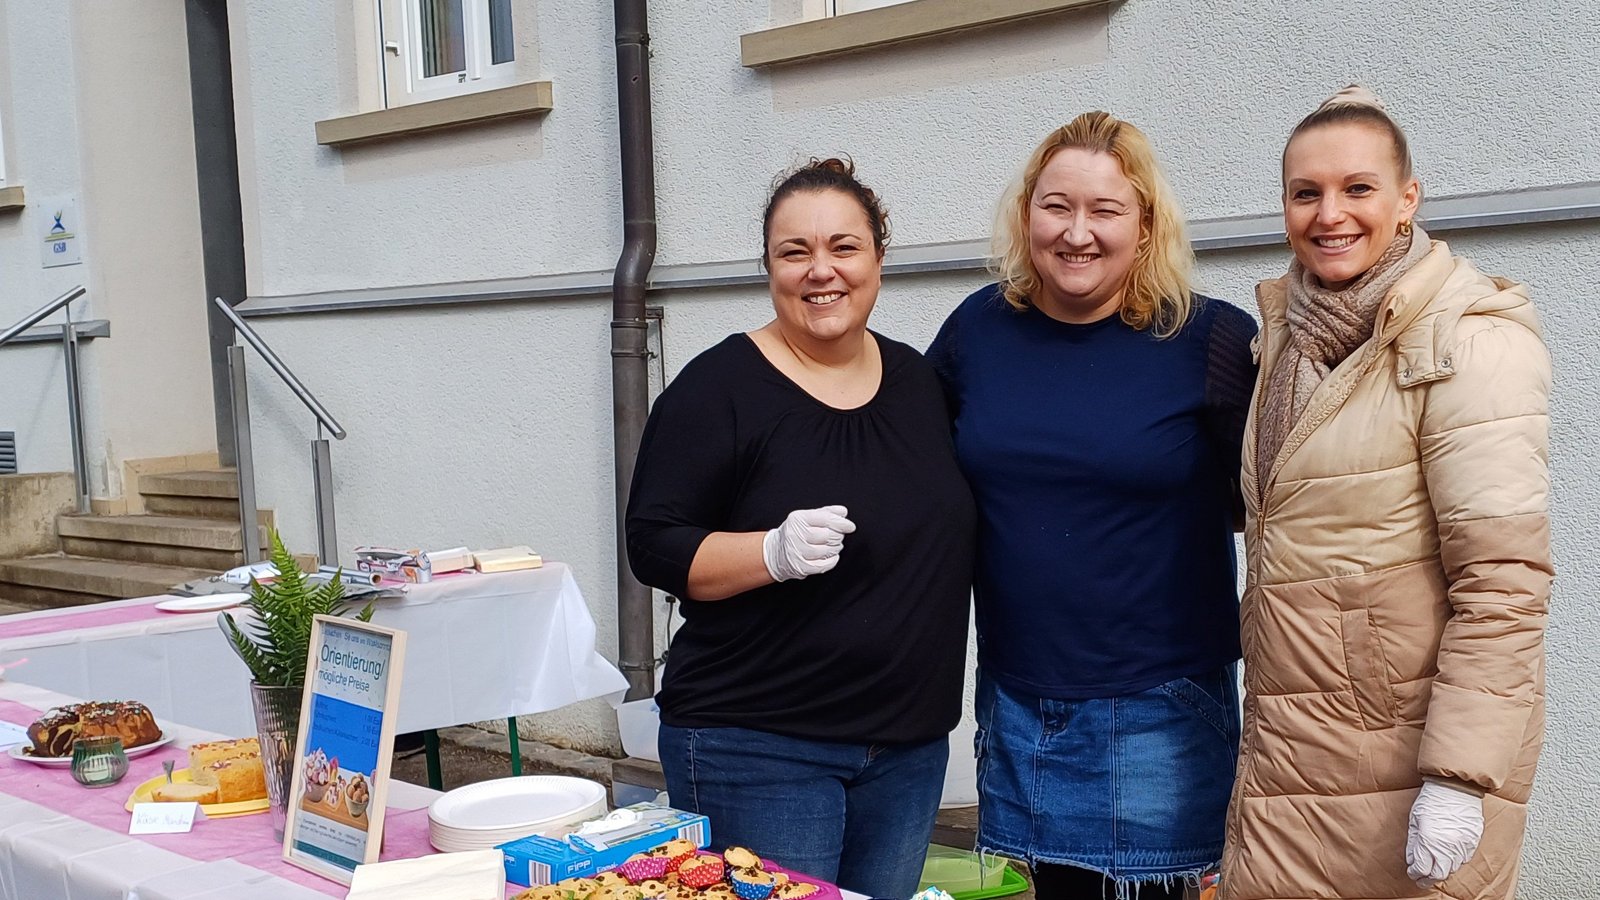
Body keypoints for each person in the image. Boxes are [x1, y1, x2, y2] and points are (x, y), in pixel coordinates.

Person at [1220, 86, 1552, 900]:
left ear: (1408, 201)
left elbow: (1503, 586)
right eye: (1307, 192)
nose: (1330, 214)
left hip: (1412, 765)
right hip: (1292, 749)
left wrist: (1458, 777)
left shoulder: (1469, 342)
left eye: (1358, 189)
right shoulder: (1284, 342)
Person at [927, 111, 1257, 899]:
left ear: (1145, 227)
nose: (1078, 233)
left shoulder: (1210, 340)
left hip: (1158, 703)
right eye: (1056, 206)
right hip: (1018, 693)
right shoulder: (979, 328)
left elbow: (1269, 501)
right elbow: (920, 476)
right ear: (1026, 215)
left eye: (1106, 210)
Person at [625, 158, 976, 897]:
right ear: (769, 267)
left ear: (879, 256)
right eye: (796, 252)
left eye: (844, 247)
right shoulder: (718, 389)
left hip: (907, 749)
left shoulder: (918, 384)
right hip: (757, 748)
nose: (822, 271)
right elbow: (653, 542)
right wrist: (769, 553)